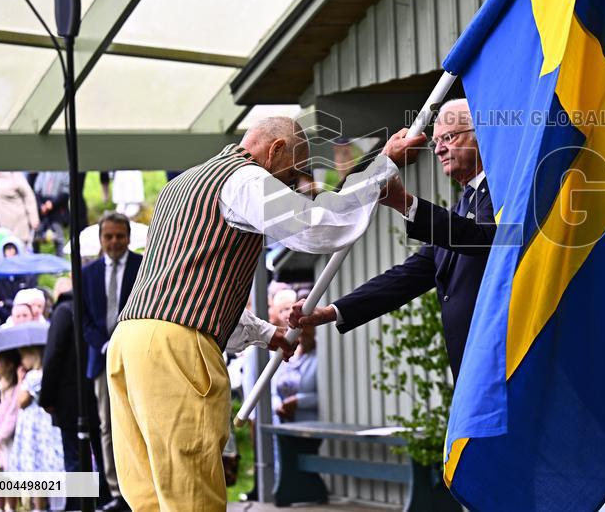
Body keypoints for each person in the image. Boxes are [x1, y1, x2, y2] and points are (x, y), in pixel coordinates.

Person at [107, 116, 424, 511]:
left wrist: (264, 332)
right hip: (176, 346)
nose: (291, 185)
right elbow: (316, 226)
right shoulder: (245, 179)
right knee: (190, 494)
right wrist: (382, 168)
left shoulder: (179, 186)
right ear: (275, 151)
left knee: (151, 496)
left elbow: (189, 283)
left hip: (128, 340)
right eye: (292, 173)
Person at [292, 100, 495, 380]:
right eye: (435, 142)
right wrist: (332, 311)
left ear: (479, 135)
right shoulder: (465, 203)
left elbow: (484, 239)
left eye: (448, 137)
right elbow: (408, 276)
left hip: (500, 355)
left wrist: (405, 202)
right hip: (473, 363)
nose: (438, 149)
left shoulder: (501, 192)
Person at [80, 212, 142, 512]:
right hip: (102, 359)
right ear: (100, 239)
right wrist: (105, 345)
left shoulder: (143, 267)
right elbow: (83, 318)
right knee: (108, 425)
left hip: (137, 358)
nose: (114, 242)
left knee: (140, 422)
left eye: (119, 236)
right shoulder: (87, 274)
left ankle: (142, 488)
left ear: (128, 237)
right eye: (109, 236)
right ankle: (118, 491)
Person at [41, 277, 109, 512]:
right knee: (103, 455)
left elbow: (53, 357)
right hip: (98, 396)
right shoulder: (95, 309)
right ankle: (104, 502)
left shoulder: (63, 312)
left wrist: (47, 398)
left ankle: (81, 506)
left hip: (70, 400)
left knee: (75, 458)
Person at [15, 344, 65, 512]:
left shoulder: (32, 377)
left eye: (24, 357)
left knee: (36, 466)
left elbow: (21, 401)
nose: (22, 361)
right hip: (48, 426)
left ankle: (39, 506)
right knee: (49, 464)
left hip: (34, 428)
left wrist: (20, 380)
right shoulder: (48, 374)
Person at [0, 348, 22, 512]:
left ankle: (11, 507)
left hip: (10, 441)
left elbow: (12, 417)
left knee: (10, 475)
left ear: (9, 365)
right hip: (0, 442)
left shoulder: (16, 389)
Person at [33, 172, 69, 257]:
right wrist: (41, 206)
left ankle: (60, 261)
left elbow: (66, 192)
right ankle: (36, 259)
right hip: (42, 209)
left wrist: (52, 203)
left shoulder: (64, 173)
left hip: (57, 209)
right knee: (36, 238)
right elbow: (36, 191)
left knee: (59, 238)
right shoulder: (43, 173)